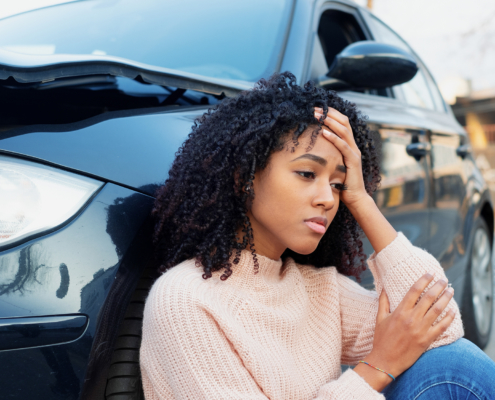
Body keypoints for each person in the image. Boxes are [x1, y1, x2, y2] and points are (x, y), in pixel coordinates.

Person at [140, 72, 495, 399]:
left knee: (449, 362)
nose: (328, 198)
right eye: (308, 173)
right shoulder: (185, 300)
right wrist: (377, 367)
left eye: (338, 184)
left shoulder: (317, 289)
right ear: (243, 176)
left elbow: (440, 326)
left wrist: (361, 200)